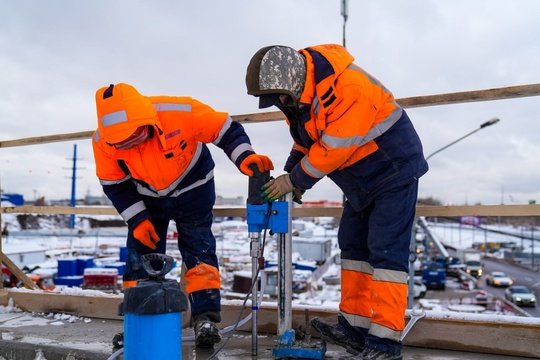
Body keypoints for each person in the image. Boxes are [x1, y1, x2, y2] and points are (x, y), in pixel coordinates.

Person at [246, 44, 428, 360]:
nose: (278, 105)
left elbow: (334, 147)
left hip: (393, 170)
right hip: (360, 180)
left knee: (386, 251)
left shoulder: (348, 86)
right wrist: (291, 177)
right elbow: (306, 143)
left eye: (278, 98)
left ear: (291, 81)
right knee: (353, 246)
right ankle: (355, 330)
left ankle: (386, 342)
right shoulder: (301, 99)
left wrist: (294, 181)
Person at [91, 82, 273, 348]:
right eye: (123, 143)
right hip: (147, 196)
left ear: (148, 119)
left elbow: (225, 129)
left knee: (199, 249)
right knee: (140, 256)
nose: (131, 145)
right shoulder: (102, 141)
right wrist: (137, 219)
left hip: (193, 187)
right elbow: (114, 184)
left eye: (135, 137)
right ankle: (137, 322)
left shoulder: (180, 111)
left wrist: (244, 156)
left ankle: (206, 319)